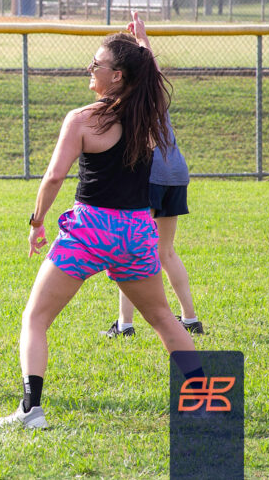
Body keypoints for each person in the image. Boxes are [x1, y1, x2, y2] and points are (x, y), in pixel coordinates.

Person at [0, 12, 197, 429]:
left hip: (89, 230)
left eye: (97, 64)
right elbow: (151, 80)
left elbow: (54, 177)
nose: (90, 68)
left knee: (35, 318)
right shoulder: (149, 114)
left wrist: (37, 222)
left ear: (118, 75)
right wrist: (144, 44)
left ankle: (31, 410)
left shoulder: (82, 118)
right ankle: (209, 400)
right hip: (137, 232)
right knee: (164, 319)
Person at [103, 59, 203, 337]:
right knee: (166, 251)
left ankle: (125, 325)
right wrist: (143, 39)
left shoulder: (128, 97)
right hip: (176, 172)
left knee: (129, 252)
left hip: (149, 175)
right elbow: (151, 65)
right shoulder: (156, 90)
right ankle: (190, 319)